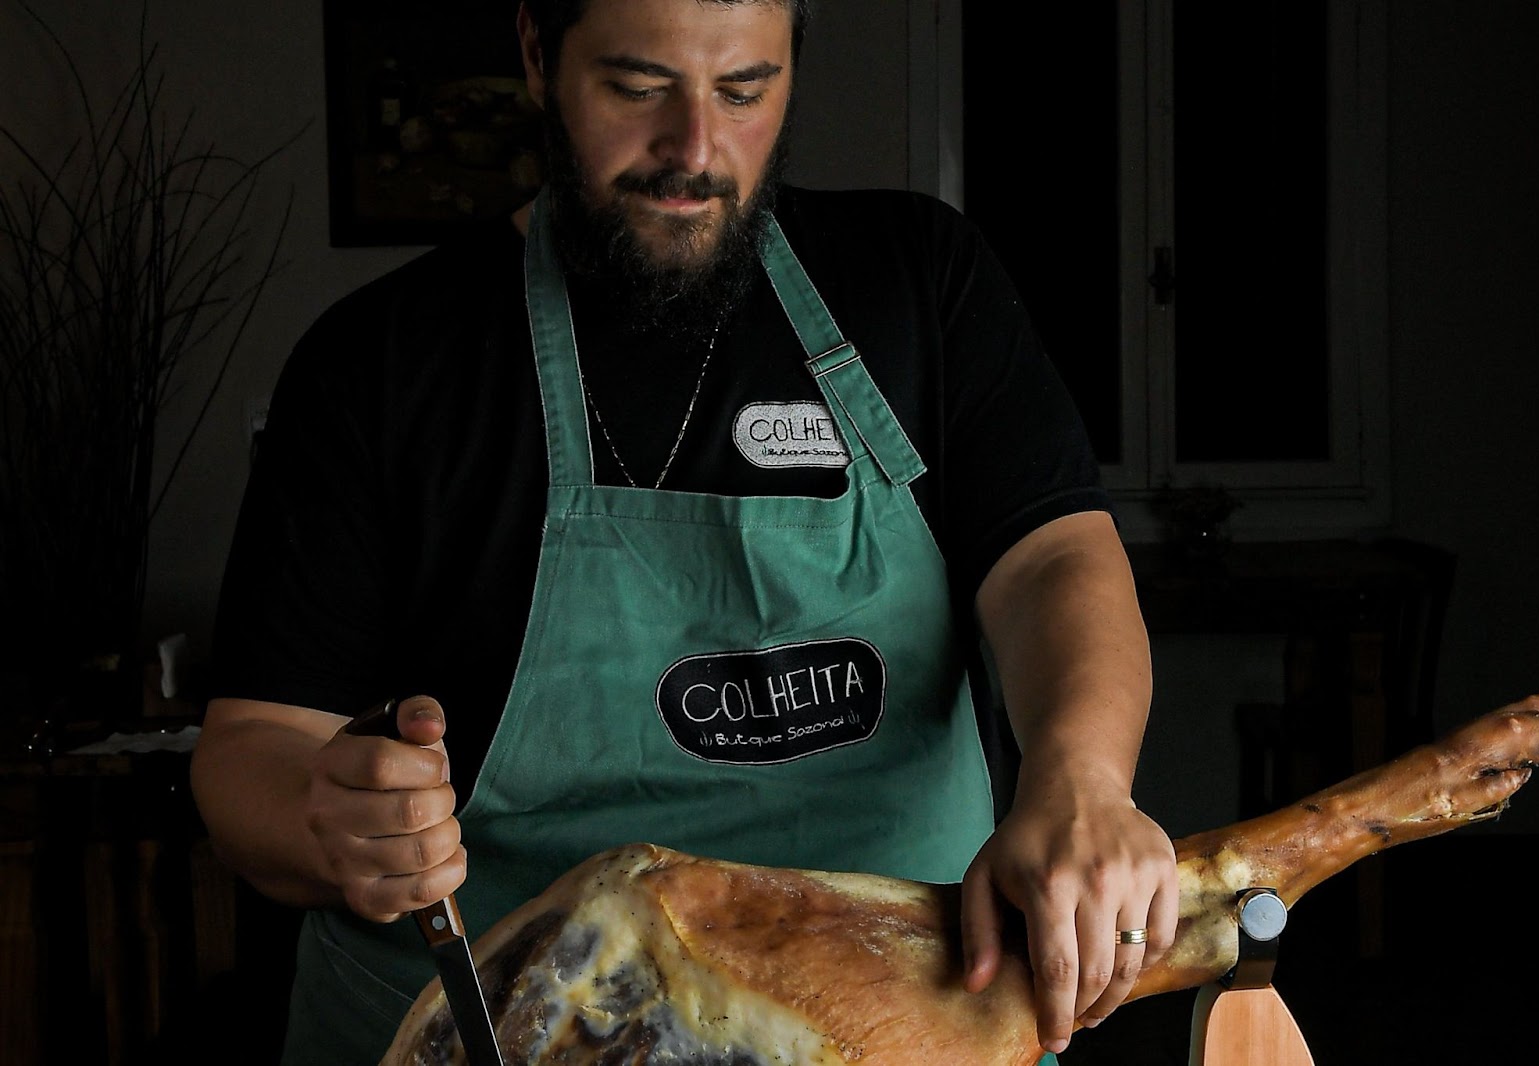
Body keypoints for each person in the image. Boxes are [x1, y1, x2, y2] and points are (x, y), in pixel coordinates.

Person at [189, 1, 1179, 1063]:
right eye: (637, 87)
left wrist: (1078, 777)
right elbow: (253, 745)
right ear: (535, 54)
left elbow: (1053, 559)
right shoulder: (380, 364)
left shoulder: (919, 283)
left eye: (744, 90)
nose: (693, 150)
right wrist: (323, 816)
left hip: (902, 1027)